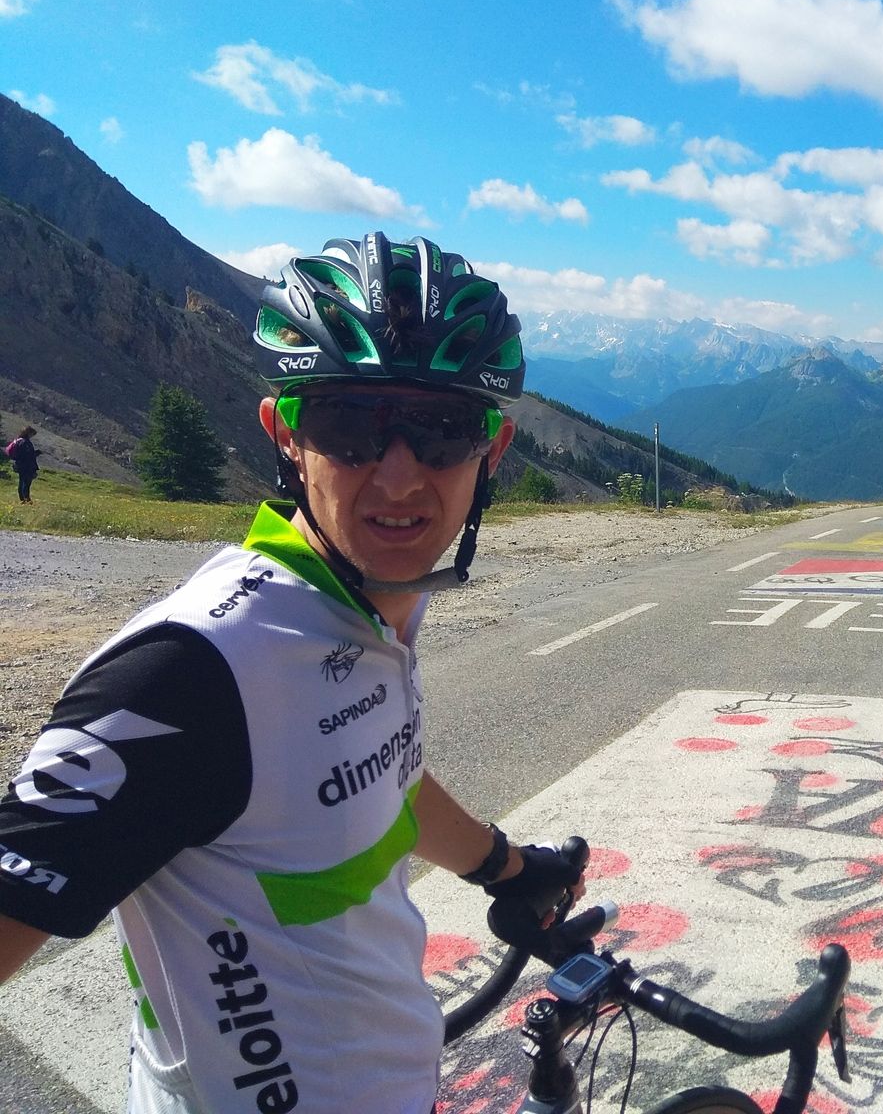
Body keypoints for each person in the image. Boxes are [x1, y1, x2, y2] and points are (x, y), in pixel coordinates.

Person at [0, 233, 584, 1113]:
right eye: (349, 427)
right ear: (287, 437)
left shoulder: (368, 602)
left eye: (441, 430)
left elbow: (372, 773)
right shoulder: (188, 670)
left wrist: (503, 866)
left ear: (491, 451)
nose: (399, 478)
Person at [6, 424, 41, 503]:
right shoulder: (25, 442)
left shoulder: (19, 441)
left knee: (22, 481)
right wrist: (36, 453)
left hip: (20, 464)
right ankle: (25, 498)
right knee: (26, 482)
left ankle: (23, 498)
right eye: (32, 434)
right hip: (26, 465)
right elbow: (28, 455)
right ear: (29, 433)